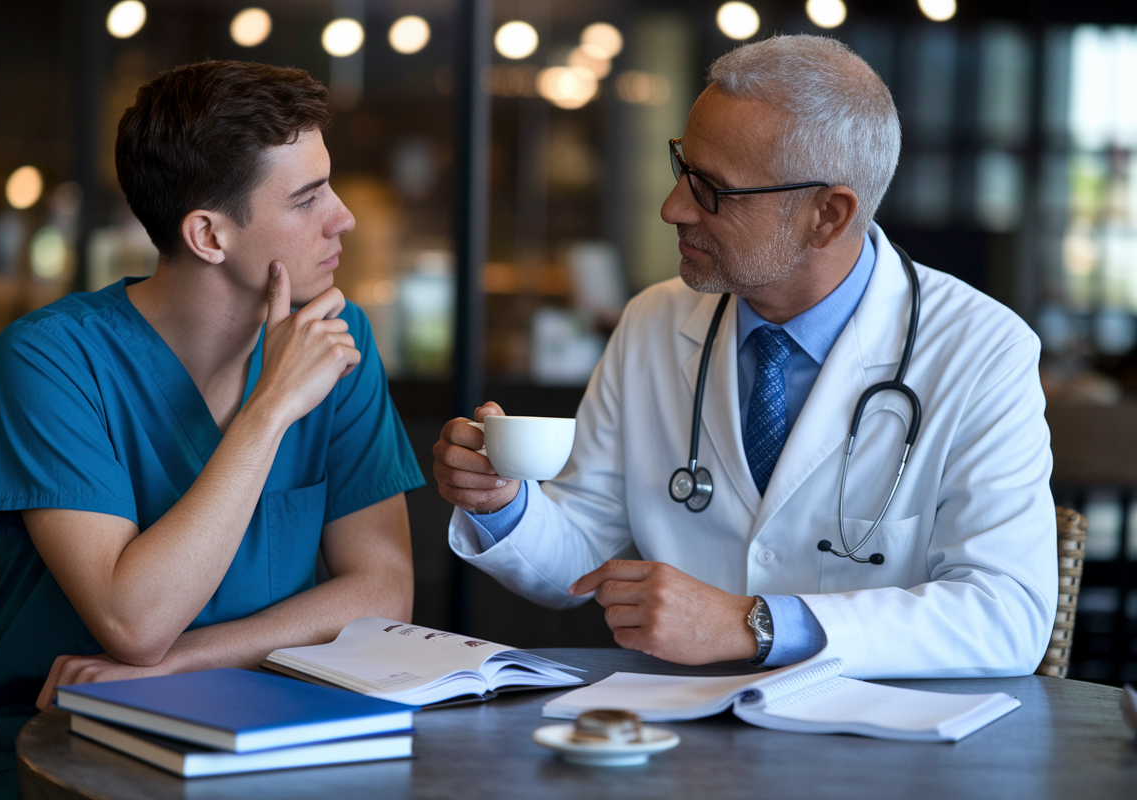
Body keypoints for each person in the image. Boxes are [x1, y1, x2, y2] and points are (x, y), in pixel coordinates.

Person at [433, 35, 1057, 679]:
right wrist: (502, 499)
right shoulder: (653, 321)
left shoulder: (982, 350)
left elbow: (1005, 616)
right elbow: (580, 555)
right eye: (683, 168)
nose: (672, 208)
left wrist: (752, 624)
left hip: (874, 754)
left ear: (827, 216)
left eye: (713, 190)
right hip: (679, 741)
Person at [0, 61, 424, 799]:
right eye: (307, 197)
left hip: (273, 738)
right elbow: (135, 625)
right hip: (61, 753)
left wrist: (185, 663)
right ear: (207, 235)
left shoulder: (336, 334)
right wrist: (270, 409)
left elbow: (383, 590)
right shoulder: (51, 359)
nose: (344, 217)